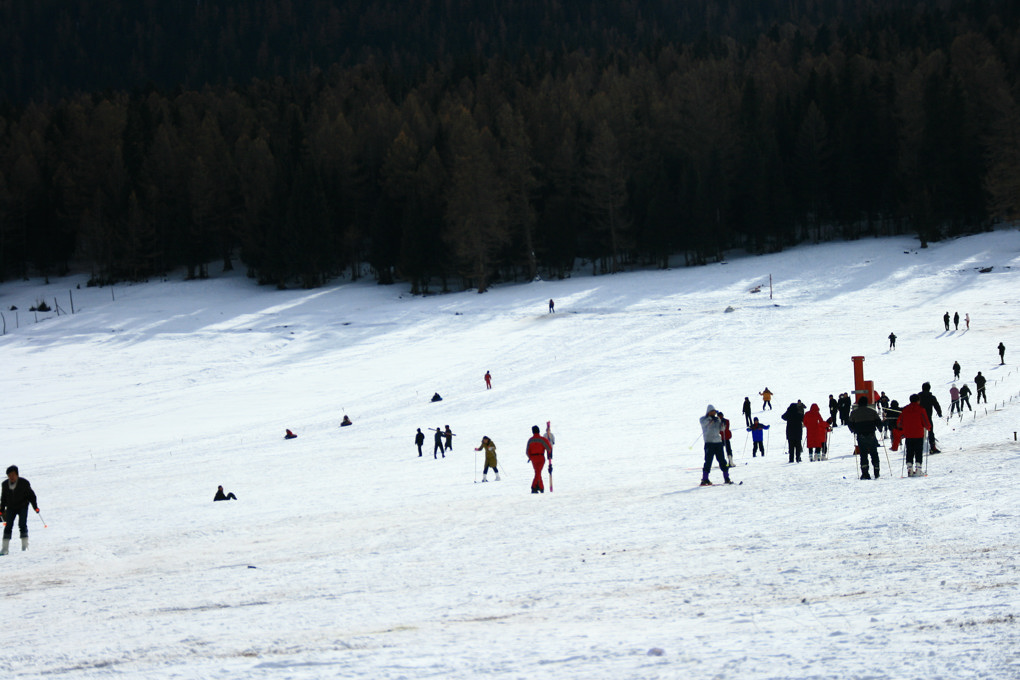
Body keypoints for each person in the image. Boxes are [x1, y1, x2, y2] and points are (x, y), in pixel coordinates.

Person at [1, 465, 39, 555]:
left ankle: (25, 546)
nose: (11, 477)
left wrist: (35, 507)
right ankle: (5, 549)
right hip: (10, 508)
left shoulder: (24, 483)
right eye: (9, 475)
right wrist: (1, 509)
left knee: (22, 524)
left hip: (23, 506)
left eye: (13, 475)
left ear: (17, 475)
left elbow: (32, 496)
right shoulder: (5, 484)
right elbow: (3, 498)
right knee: (8, 527)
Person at [897, 394, 932, 477]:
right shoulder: (921, 409)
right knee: (918, 451)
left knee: (909, 451)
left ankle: (909, 469)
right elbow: (926, 422)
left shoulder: (905, 410)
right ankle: (918, 469)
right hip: (918, 434)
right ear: (918, 401)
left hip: (908, 435)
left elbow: (900, 423)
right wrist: (928, 428)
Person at [848, 397, 882, 479]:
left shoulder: (854, 413)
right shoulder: (872, 412)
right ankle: (876, 471)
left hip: (861, 436)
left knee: (863, 454)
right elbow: (878, 422)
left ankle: (865, 473)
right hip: (871, 435)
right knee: (874, 453)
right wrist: (880, 429)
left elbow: (850, 424)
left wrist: (854, 430)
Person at [698, 405, 732, 485]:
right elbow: (705, 424)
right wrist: (711, 420)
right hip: (709, 443)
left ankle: (726, 477)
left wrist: (723, 424)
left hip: (718, 443)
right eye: (713, 411)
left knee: (722, 461)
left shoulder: (717, 419)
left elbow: (722, 429)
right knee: (708, 461)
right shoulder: (703, 419)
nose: (715, 413)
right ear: (709, 411)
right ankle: (705, 479)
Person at [525, 425, 552, 493]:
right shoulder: (542, 439)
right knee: (538, 472)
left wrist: (530, 457)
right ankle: (534, 487)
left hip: (533, 459)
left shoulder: (530, 440)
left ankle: (540, 487)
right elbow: (549, 448)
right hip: (541, 457)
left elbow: (527, 451)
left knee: (537, 472)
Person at [919, 382, 943, 453]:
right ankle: (932, 448)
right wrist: (939, 413)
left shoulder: (918, 397)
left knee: (918, 433)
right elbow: (936, 405)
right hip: (928, 417)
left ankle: (917, 449)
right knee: (930, 432)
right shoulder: (931, 397)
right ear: (929, 389)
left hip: (919, 418)